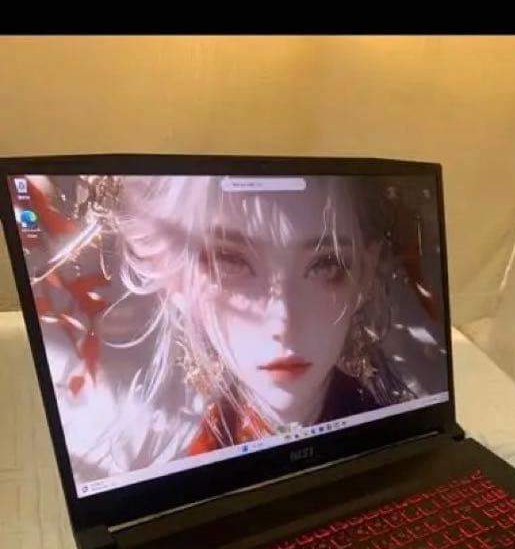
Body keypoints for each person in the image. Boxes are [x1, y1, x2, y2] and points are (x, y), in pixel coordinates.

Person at [27, 173, 427, 482]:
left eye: (327, 263)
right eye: (230, 261)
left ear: (364, 273)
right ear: (174, 276)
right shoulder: (174, 471)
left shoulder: (401, 436)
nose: (283, 321)